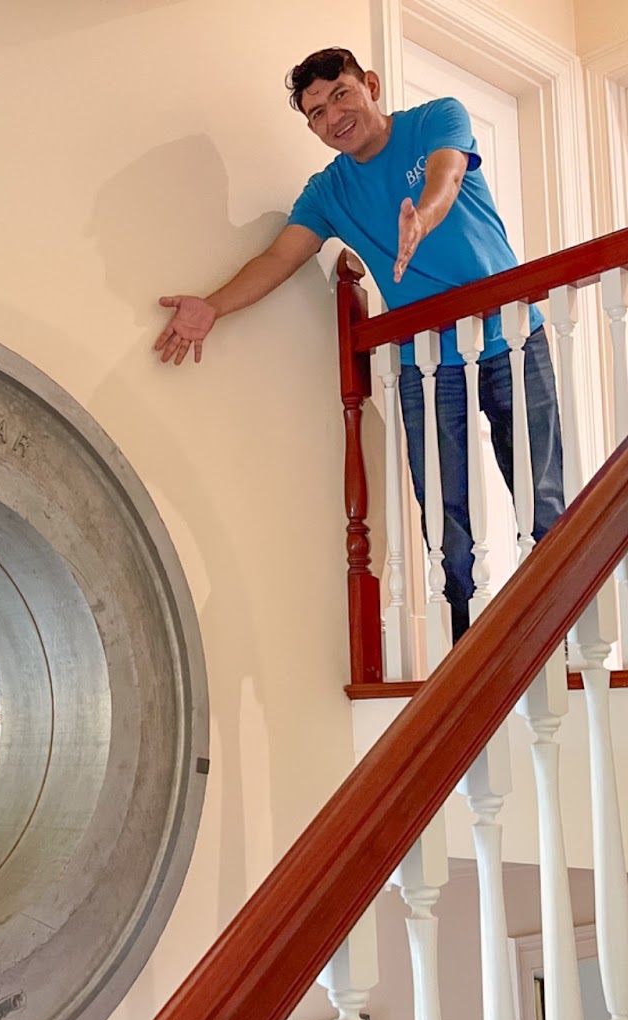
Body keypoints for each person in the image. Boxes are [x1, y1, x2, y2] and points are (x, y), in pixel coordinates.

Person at [155, 47, 565, 641]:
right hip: (427, 367)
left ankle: (568, 634)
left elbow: (446, 175)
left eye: (340, 95)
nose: (332, 117)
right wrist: (213, 306)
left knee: (541, 495)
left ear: (369, 85)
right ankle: (467, 649)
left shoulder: (435, 119)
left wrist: (421, 219)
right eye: (316, 114)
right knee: (445, 523)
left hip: (511, 340)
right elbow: (278, 257)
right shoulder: (329, 191)